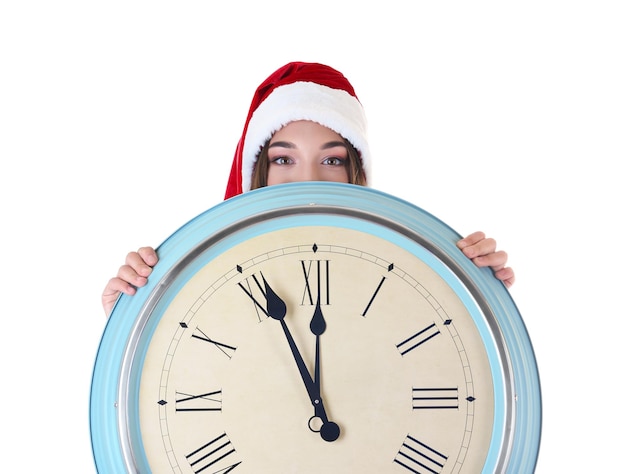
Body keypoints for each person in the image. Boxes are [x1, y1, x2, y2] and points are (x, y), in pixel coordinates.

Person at [101, 61, 515, 317]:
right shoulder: (199, 277)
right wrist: (131, 319)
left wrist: (477, 294)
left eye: (332, 159)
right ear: (258, 172)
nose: (309, 179)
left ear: (357, 175)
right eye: (284, 158)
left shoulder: (404, 273)